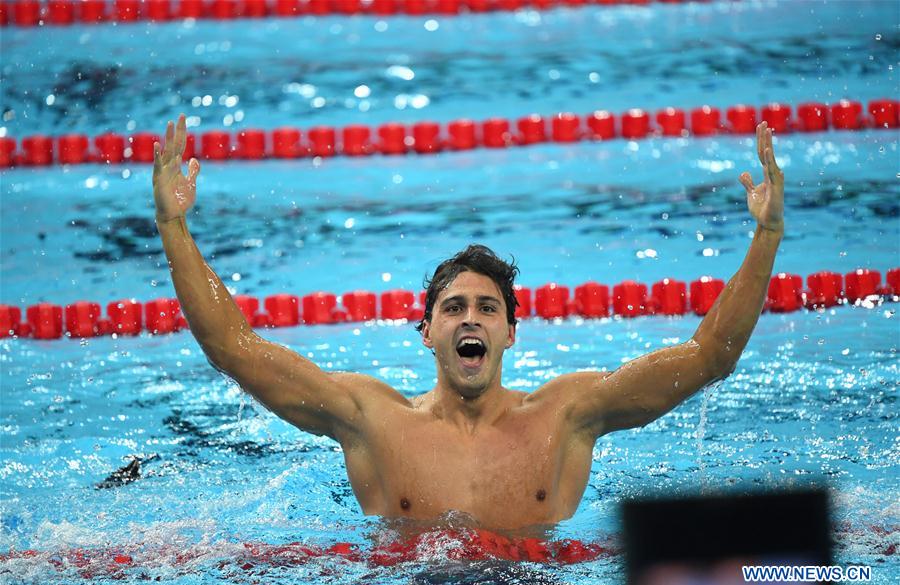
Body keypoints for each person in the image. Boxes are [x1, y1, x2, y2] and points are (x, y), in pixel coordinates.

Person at [152, 115, 784, 532]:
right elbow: (234, 349)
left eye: (487, 308)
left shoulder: (567, 415)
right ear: (427, 331)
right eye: (453, 308)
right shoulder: (373, 420)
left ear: (511, 331)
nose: (470, 318)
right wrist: (173, 226)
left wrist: (767, 235)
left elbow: (708, 356)